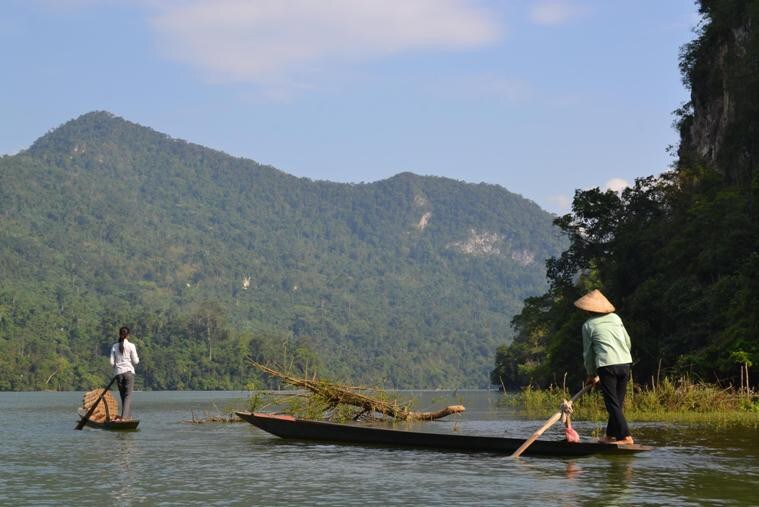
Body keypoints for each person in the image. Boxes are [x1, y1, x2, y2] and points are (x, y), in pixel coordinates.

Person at [574, 289, 634, 445]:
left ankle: (625, 437)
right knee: (617, 403)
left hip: (606, 365)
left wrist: (590, 374)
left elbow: (588, 354)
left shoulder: (588, 325)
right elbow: (627, 341)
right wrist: (622, 356)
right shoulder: (616, 318)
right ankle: (610, 436)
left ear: (588, 310)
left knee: (612, 403)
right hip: (625, 362)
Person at [110, 326, 139, 420]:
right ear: (128, 335)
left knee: (124, 396)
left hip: (118, 374)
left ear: (119, 334)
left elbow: (111, 362)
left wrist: (117, 366)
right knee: (128, 396)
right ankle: (124, 418)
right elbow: (135, 361)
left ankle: (128, 416)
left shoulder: (114, 346)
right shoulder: (131, 346)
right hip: (128, 372)